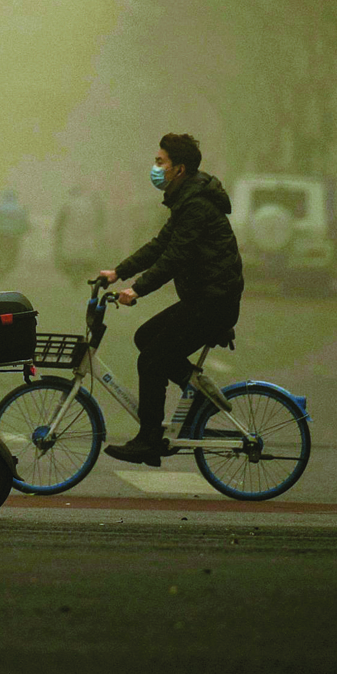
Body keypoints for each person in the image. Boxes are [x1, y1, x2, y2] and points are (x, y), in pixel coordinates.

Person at [97, 133, 244, 466]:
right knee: (145, 338)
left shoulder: (197, 205)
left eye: (160, 162)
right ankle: (200, 394)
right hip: (205, 300)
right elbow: (158, 246)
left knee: (151, 360)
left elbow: (174, 257)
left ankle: (149, 440)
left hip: (213, 303)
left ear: (179, 169)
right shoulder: (186, 200)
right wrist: (118, 272)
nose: (155, 168)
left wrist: (137, 290)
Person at [54, 185, 108, 281]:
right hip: (88, 237)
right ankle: (81, 276)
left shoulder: (68, 205)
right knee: (86, 257)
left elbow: (60, 221)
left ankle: (74, 276)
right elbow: (100, 220)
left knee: (71, 257)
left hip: (70, 237)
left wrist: (58, 233)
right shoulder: (92, 205)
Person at [0, 188, 30, 274]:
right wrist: (24, 230)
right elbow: (24, 223)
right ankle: (9, 267)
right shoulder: (20, 209)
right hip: (13, 235)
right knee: (14, 253)